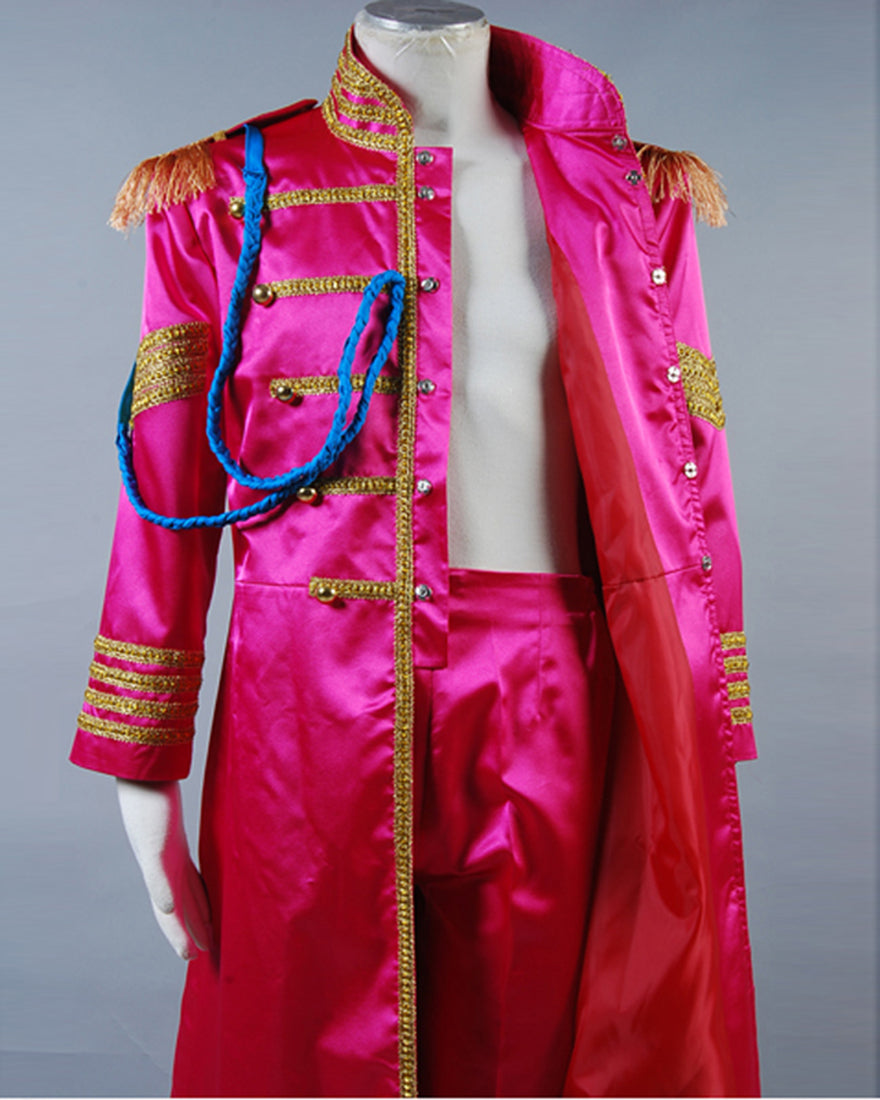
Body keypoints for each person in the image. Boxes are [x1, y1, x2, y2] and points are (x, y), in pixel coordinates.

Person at [72, 2, 759, 1095]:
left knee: (531, 1049)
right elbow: (162, 480)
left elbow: (690, 457)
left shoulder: (631, 194)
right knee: (303, 1047)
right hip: (302, 693)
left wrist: (708, 700)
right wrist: (139, 757)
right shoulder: (223, 191)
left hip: (549, 684)